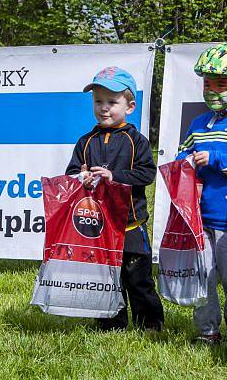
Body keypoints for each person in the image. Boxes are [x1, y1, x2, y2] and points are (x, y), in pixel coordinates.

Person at [66, 66, 164, 331]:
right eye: (98, 101)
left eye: (112, 101)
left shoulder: (137, 141)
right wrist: (81, 177)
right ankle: (110, 324)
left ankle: (150, 325)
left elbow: (147, 174)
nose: (104, 108)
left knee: (138, 279)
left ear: (130, 106)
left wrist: (114, 176)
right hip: (98, 226)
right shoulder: (85, 141)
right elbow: (72, 174)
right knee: (106, 278)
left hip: (131, 225)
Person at [176, 42, 227, 344]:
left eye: (221, 84)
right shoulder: (199, 124)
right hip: (200, 218)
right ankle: (207, 330)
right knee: (204, 276)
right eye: (207, 83)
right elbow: (180, 159)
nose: (212, 89)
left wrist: (217, 160)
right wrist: (184, 164)